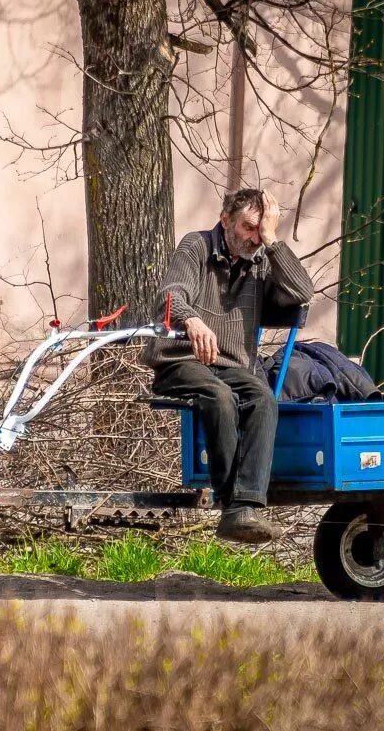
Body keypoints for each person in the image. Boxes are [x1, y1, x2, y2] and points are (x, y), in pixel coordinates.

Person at [142, 188, 314, 543]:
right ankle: (229, 501)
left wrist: (272, 240)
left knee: (263, 399)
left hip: (233, 364)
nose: (253, 238)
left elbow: (301, 293)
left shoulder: (261, 258)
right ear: (225, 221)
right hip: (182, 358)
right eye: (248, 228)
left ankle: (246, 506)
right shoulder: (197, 246)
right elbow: (171, 294)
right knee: (219, 396)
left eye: (259, 230)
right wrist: (190, 320)